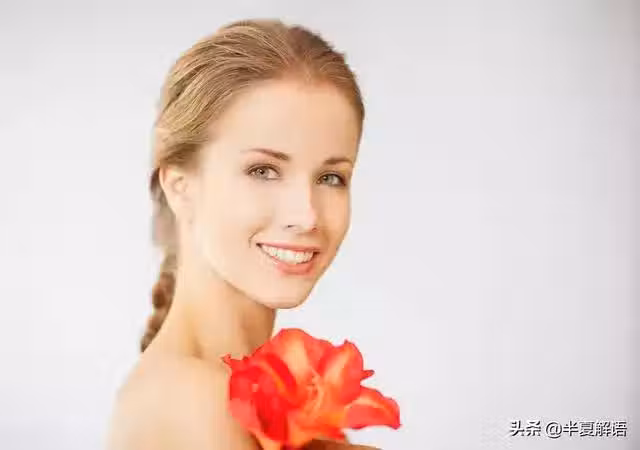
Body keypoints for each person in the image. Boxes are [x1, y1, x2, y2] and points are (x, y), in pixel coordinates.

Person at [106, 18, 376, 450]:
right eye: (263, 171)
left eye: (330, 177)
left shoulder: (225, 392)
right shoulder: (195, 400)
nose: (307, 216)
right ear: (181, 186)